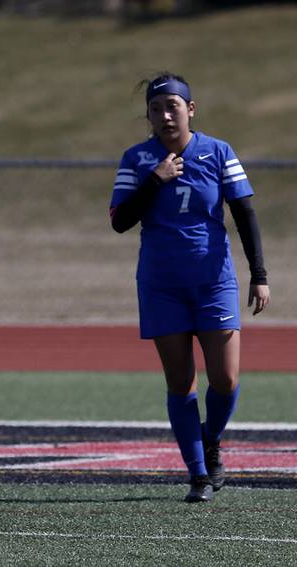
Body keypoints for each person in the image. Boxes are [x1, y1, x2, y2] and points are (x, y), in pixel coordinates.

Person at [110, 73, 270, 503]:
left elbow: (245, 213)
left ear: (190, 109)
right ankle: (199, 474)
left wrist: (259, 274)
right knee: (181, 382)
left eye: (173, 106)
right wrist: (155, 180)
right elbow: (121, 220)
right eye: (156, 108)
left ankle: (210, 438)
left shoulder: (218, 152)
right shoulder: (137, 158)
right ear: (147, 115)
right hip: (162, 285)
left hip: (213, 281)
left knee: (225, 377)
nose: (165, 115)